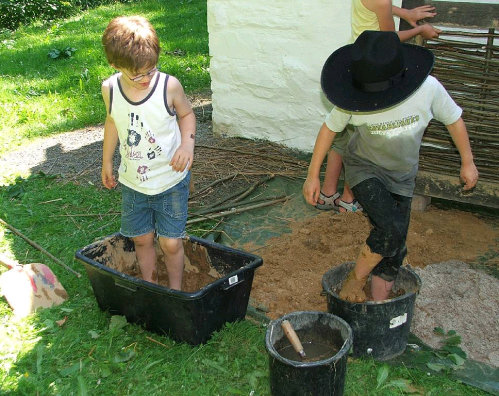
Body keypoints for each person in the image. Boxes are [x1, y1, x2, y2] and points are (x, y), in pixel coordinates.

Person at [304, 31, 478, 302]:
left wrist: (468, 162)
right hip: (364, 168)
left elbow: (454, 120)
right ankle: (355, 280)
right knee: (391, 228)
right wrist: (312, 176)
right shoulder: (355, 98)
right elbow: (329, 129)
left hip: (403, 176)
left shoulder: (429, 88)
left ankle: (378, 305)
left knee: (395, 248)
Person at [316, 0, 441, 212]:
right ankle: (348, 200)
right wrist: (420, 29)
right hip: (373, 73)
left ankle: (327, 194)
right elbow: (389, 41)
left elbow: (377, 7)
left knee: (342, 136)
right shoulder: (383, 1)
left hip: (356, 65)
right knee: (360, 142)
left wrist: (405, 13)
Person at [101, 16, 196, 290]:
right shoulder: (110, 89)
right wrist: (107, 160)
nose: (146, 79)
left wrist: (186, 145)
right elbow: (112, 122)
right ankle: (150, 284)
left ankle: (174, 289)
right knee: (141, 238)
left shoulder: (169, 86)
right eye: (138, 74)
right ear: (116, 65)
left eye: (151, 70)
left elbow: (187, 114)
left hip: (171, 179)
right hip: (134, 184)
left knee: (170, 241)